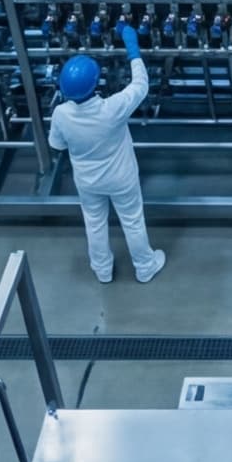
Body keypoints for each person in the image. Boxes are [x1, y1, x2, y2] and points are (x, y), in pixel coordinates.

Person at [47, 25, 166, 284]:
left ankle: (102, 270)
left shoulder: (61, 114)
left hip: (88, 182)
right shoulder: (112, 108)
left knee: (94, 223)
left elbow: (57, 146)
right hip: (121, 178)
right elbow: (140, 86)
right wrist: (132, 49)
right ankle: (145, 266)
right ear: (95, 82)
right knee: (132, 220)